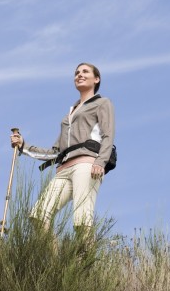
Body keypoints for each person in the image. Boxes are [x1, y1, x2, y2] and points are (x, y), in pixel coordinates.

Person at [10, 62, 115, 233]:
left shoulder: (102, 103)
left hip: (86, 166)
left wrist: (100, 162)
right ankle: (56, 260)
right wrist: (23, 146)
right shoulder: (70, 114)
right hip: (63, 169)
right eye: (76, 73)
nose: (79, 75)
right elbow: (55, 152)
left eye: (85, 72)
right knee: (38, 215)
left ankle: (84, 259)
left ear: (96, 79)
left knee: (82, 219)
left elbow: (107, 135)